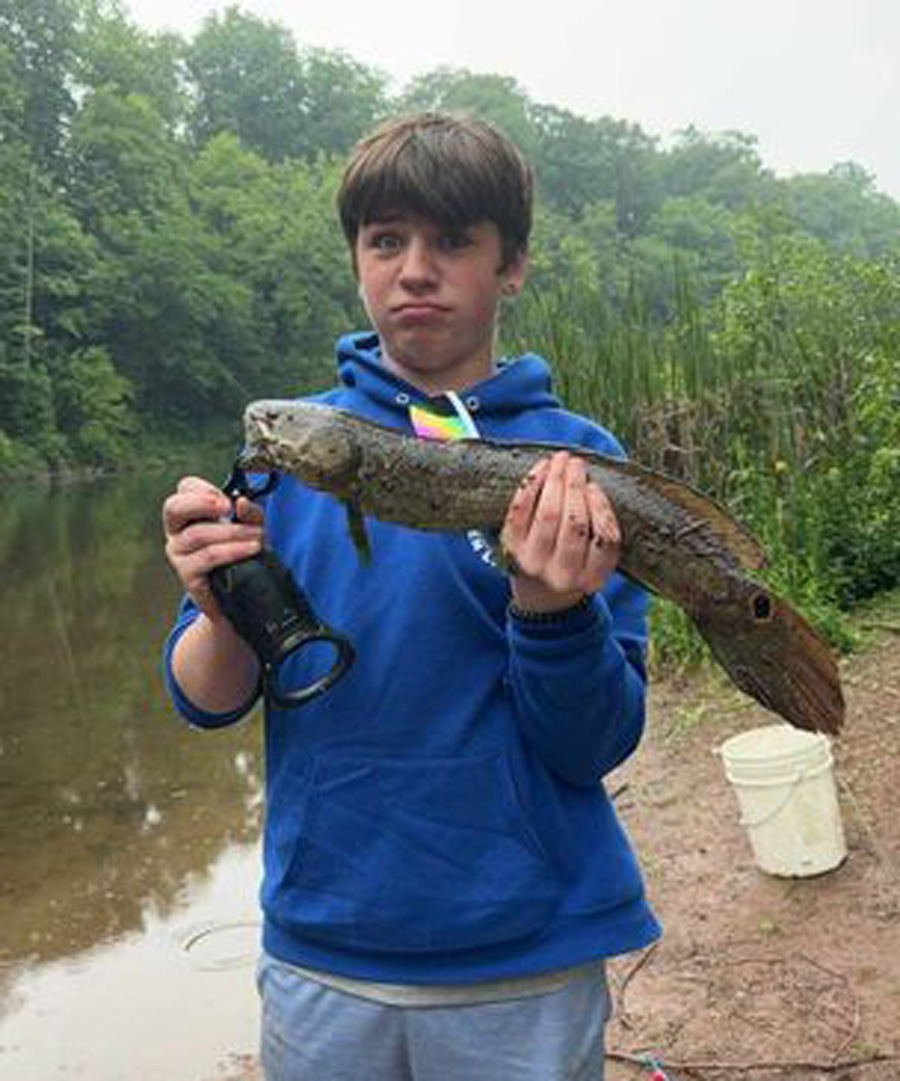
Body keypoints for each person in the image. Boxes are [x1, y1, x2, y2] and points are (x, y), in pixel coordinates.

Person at [162, 112, 660, 1081]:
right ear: (356, 259)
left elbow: (594, 741)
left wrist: (551, 609)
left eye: (452, 242)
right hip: (324, 949)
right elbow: (207, 696)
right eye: (386, 240)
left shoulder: (582, 464)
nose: (415, 268)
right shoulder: (290, 449)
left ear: (510, 263)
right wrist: (218, 607)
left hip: (527, 952)